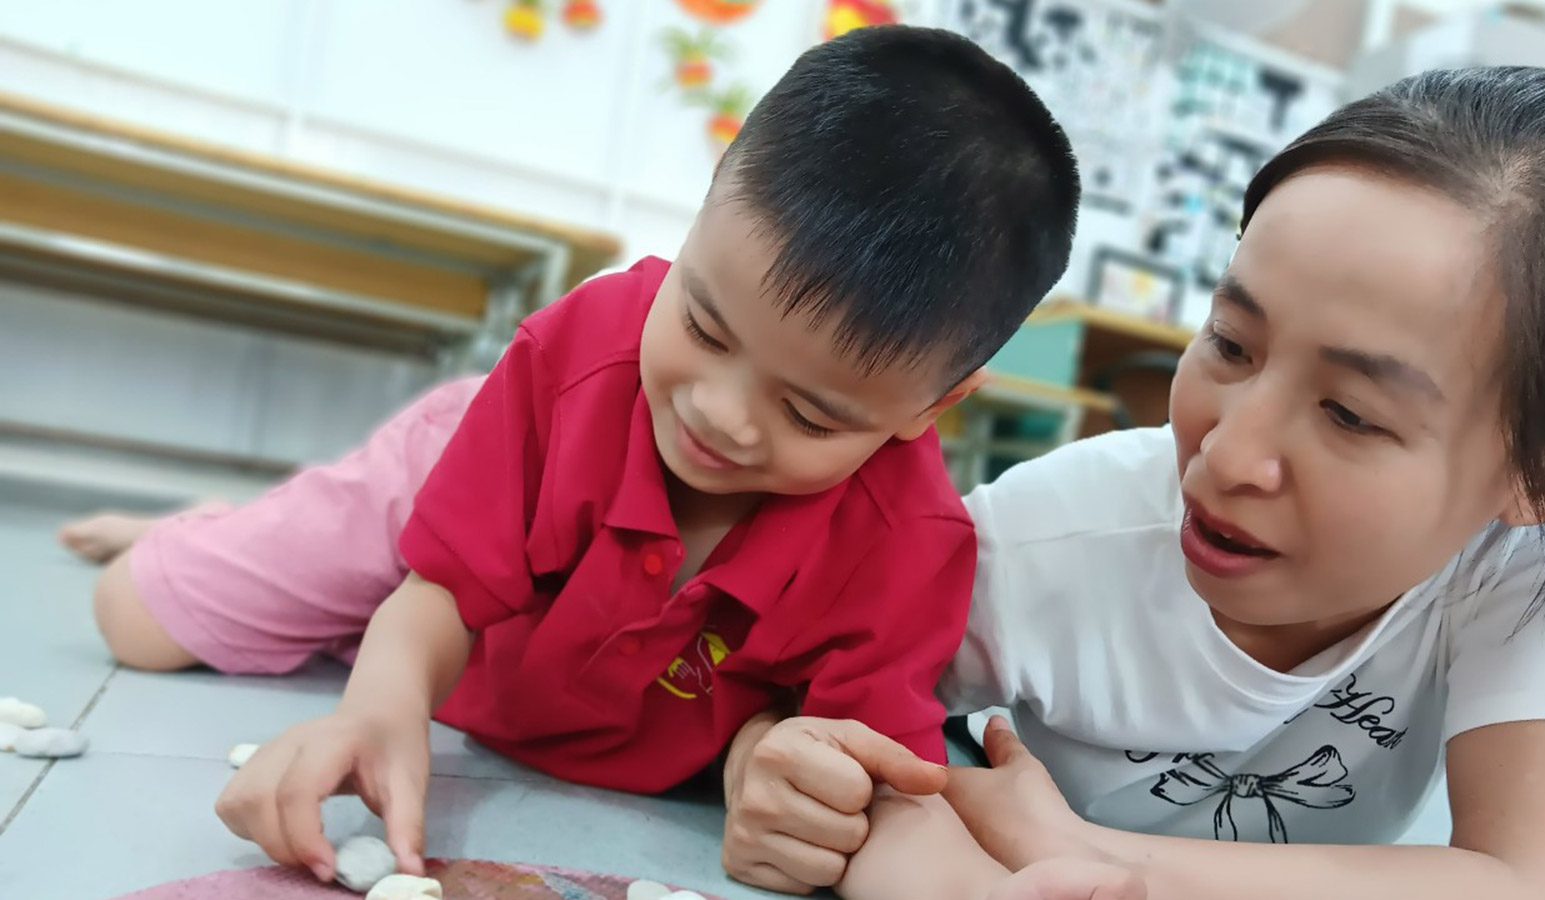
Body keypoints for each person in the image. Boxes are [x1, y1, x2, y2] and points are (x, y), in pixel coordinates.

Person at [58, 26, 1082, 892]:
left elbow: (859, 771)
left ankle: (272, 544)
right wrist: (380, 708)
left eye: (809, 414)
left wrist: (796, 789)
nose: (720, 418)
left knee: (358, 635)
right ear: (708, 197)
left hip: (543, 636)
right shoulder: (578, 352)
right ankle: (209, 528)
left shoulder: (911, 543)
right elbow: (442, 597)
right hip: (468, 472)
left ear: (931, 407)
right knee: (138, 619)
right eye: (705, 325)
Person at [726, 65, 1545, 900]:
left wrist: (1084, 848)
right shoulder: (1038, 547)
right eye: (1229, 343)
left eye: (1351, 414)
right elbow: (794, 716)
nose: (1223, 458)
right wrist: (772, 770)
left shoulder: (1523, 570)